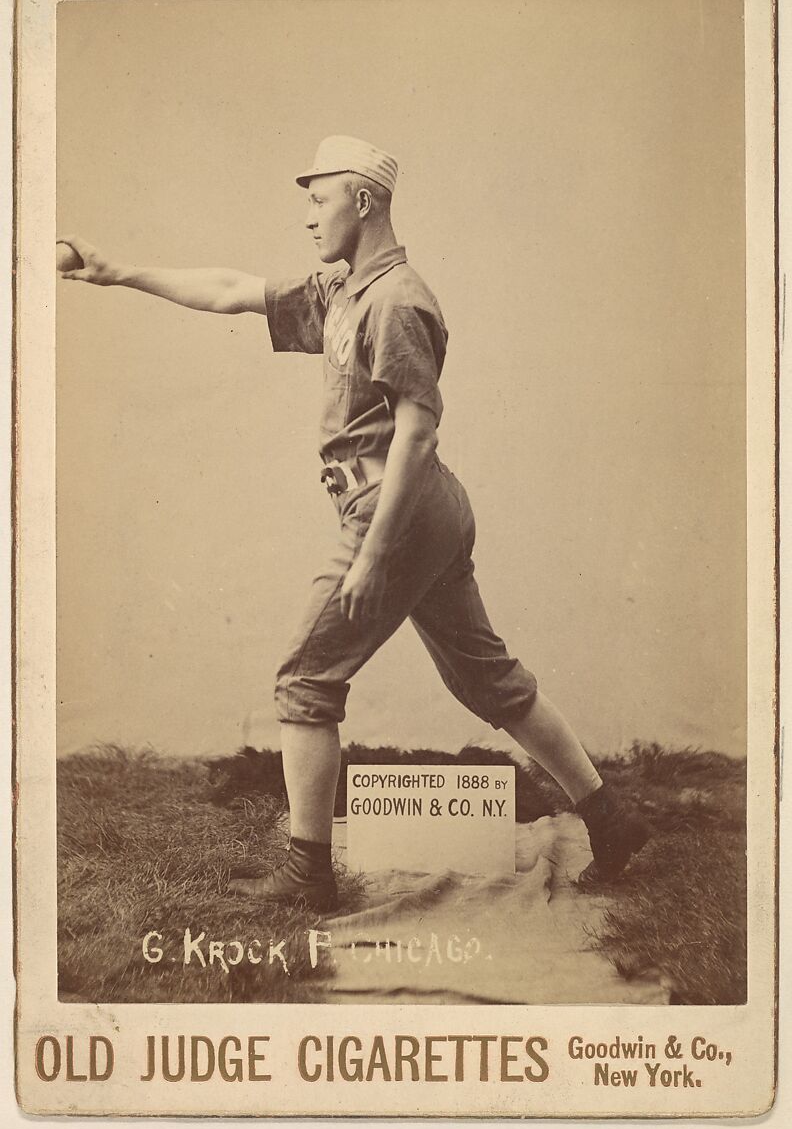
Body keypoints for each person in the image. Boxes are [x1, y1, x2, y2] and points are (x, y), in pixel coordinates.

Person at [59, 134, 650, 911]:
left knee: (304, 681)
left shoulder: (399, 299)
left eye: (318, 198)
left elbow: (418, 431)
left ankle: (308, 874)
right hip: (420, 509)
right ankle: (610, 819)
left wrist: (373, 553)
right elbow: (235, 288)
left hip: (394, 508)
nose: (308, 217)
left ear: (362, 201)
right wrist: (117, 272)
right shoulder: (345, 292)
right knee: (488, 679)